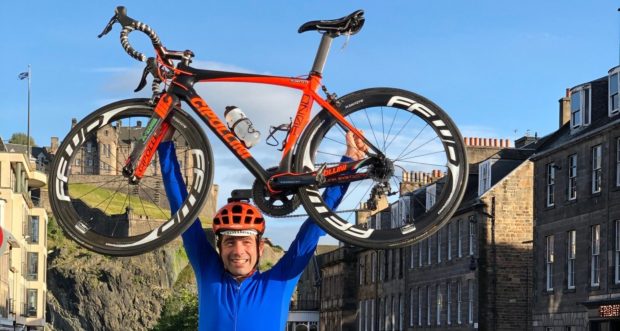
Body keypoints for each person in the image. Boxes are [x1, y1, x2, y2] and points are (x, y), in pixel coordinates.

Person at [158, 131, 367, 330]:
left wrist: (349, 162)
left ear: (260, 247)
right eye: (230, 242)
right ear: (219, 247)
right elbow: (183, 209)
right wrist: (164, 144)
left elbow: (315, 226)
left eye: (246, 242)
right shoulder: (208, 270)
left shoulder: (280, 280)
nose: (238, 251)